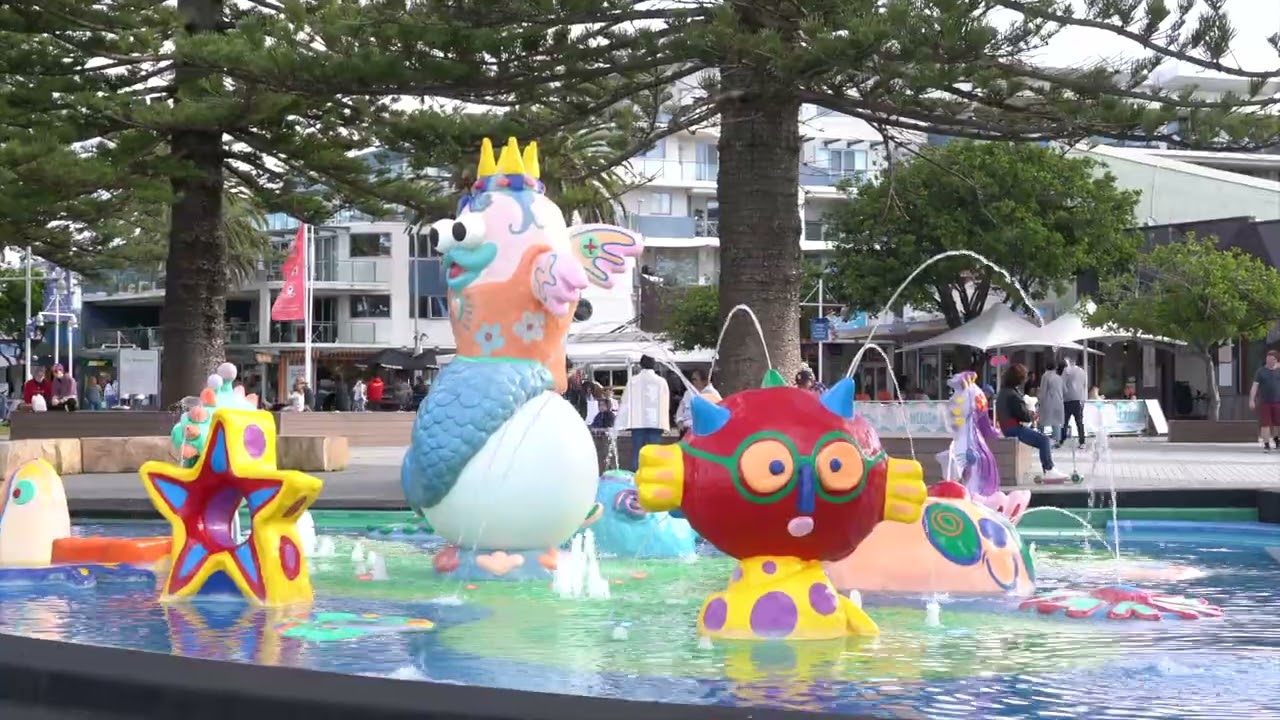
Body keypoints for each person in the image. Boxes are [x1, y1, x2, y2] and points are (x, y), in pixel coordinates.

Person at [997, 363, 1068, 481]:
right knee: (1043, 440)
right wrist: (1032, 416)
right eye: (1023, 378)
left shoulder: (1004, 391)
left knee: (1042, 439)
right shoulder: (1012, 395)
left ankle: (1049, 469)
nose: (1025, 381)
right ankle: (1049, 469)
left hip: (1007, 426)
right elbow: (1022, 415)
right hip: (1013, 428)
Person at [617, 355, 670, 471]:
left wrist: (621, 422)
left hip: (638, 422)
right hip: (656, 422)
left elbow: (625, 401)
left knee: (637, 452)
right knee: (654, 452)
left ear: (640, 365)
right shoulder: (661, 382)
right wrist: (665, 424)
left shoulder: (633, 381)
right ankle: (653, 476)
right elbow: (665, 403)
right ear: (654, 365)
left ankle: (636, 478)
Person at [1250, 350, 1280, 452]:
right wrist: (1252, 400)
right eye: (1267, 359)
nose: (1269, 361)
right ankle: (1266, 444)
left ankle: (1277, 439)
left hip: (1278, 402)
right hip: (1264, 402)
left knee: (1277, 424)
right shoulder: (1261, 371)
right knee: (1265, 424)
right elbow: (1254, 387)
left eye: (1271, 359)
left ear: (1276, 360)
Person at [674, 369, 720, 434]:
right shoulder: (688, 393)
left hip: (703, 431)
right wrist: (679, 421)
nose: (692, 382)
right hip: (686, 430)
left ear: (704, 381)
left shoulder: (713, 394)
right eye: (692, 379)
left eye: (695, 379)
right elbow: (681, 408)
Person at [1058, 356, 1087, 449]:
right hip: (1078, 399)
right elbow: (1084, 385)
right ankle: (1082, 442)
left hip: (1067, 399)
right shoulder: (1082, 371)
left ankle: (1062, 440)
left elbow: (1062, 383)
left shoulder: (1066, 370)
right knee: (1079, 422)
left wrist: (1063, 394)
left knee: (1064, 421)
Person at [1037, 361, 1065, 436]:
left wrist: (1039, 401)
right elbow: (1065, 390)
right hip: (1059, 403)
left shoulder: (1045, 376)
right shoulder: (1059, 378)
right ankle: (1057, 440)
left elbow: (1043, 391)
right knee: (1056, 423)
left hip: (1048, 403)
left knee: (1042, 422)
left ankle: (1040, 437)